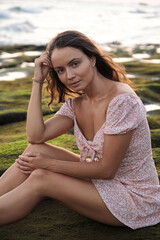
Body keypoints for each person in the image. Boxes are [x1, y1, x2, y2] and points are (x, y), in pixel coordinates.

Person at [0, 30, 160, 229]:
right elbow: (35, 136)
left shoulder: (122, 101)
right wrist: (37, 81)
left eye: (75, 64)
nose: (70, 76)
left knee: (42, 177)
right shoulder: (77, 104)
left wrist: (47, 165)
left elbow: (106, 170)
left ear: (92, 59)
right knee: (36, 151)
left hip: (134, 198)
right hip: (101, 184)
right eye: (60, 70)